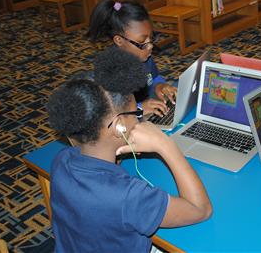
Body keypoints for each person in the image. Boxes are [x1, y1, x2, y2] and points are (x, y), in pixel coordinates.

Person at [47, 47, 212, 252]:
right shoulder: (128, 197)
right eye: (136, 112)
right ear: (119, 126)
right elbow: (200, 209)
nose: (140, 116)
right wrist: (166, 145)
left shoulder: (62, 160)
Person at [87, 0, 177, 117]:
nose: (150, 46)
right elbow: (110, 115)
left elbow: (154, 78)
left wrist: (159, 86)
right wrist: (139, 108)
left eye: (151, 38)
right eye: (141, 41)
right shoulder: (111, 72)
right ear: (119, 40)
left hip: (148, 111)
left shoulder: (144, 56)